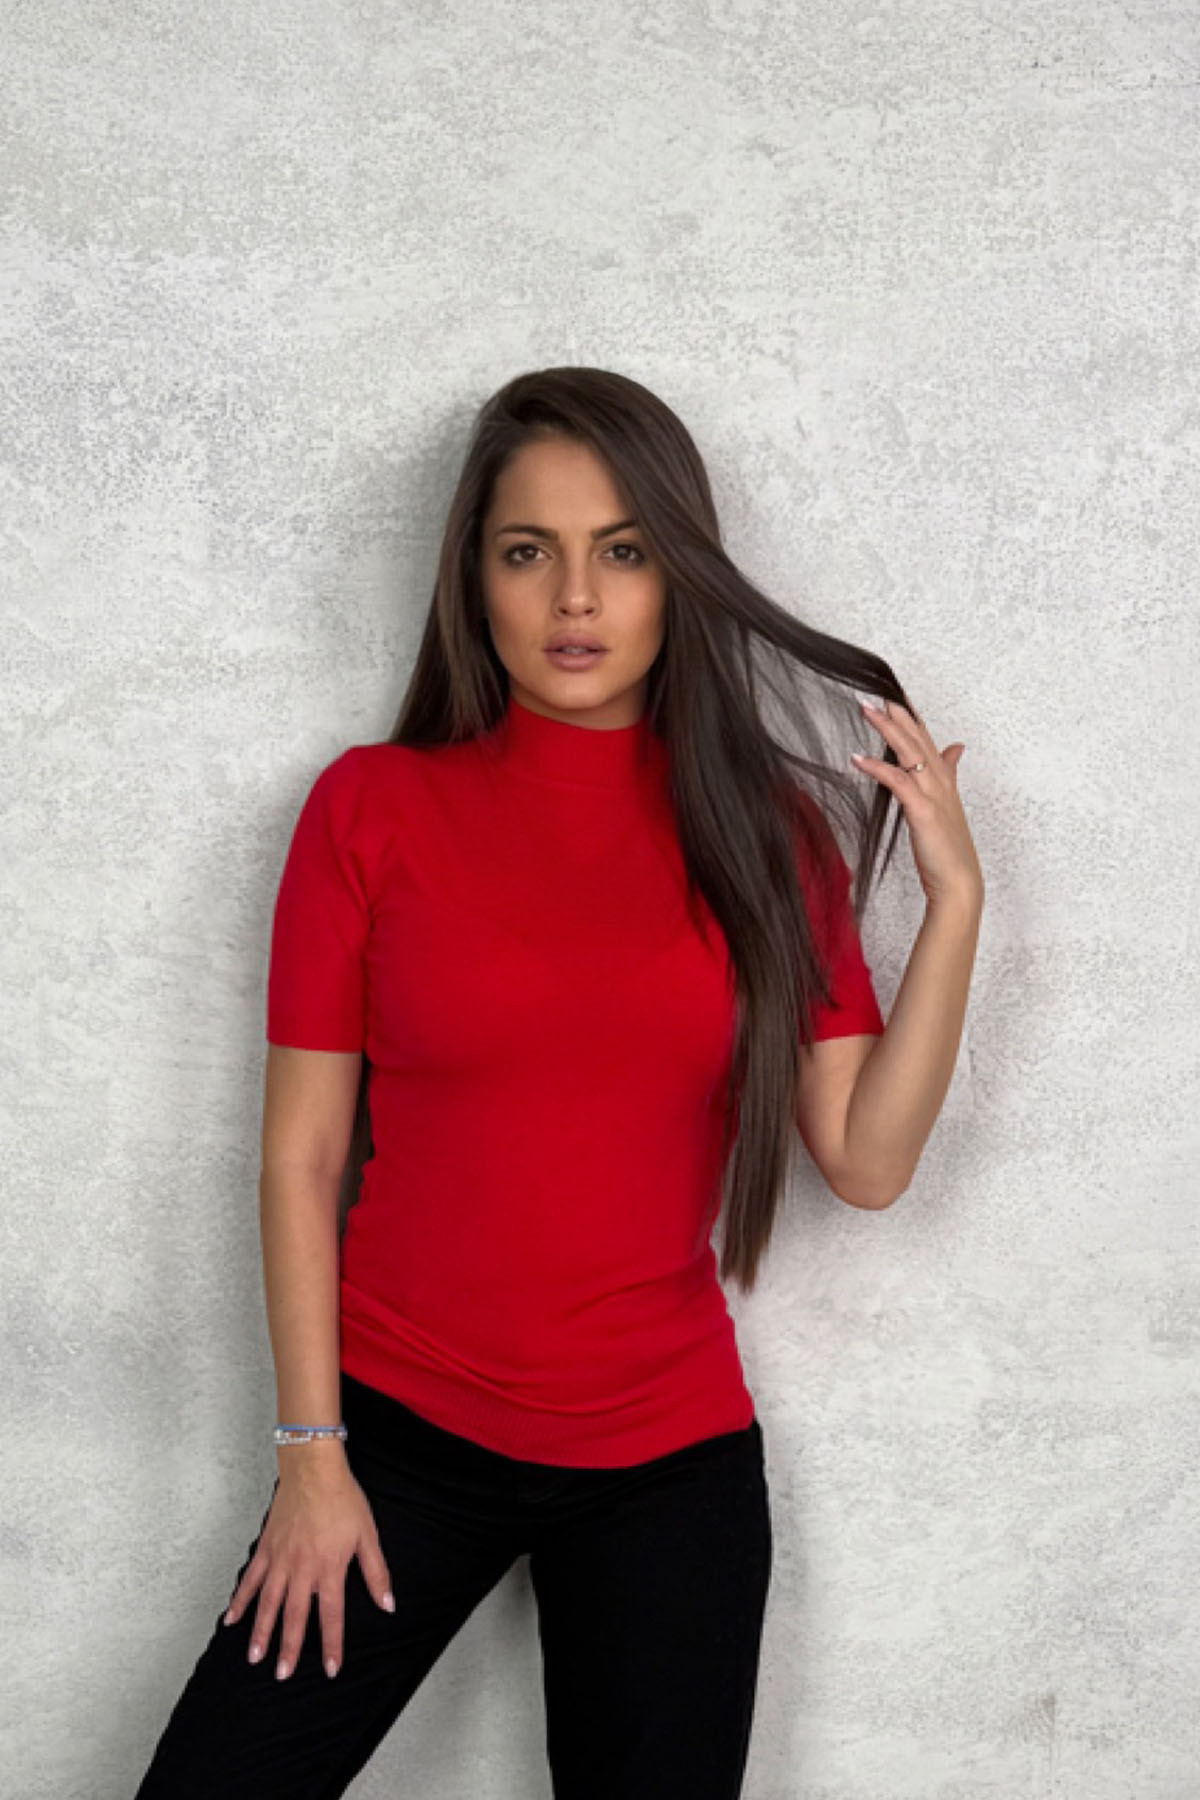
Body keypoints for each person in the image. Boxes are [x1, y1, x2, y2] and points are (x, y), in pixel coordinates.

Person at [132, 366, 985, 1799]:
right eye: (529, 551)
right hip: (394, 1440)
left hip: (666, 1465)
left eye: (624, 551)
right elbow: (299, 1158)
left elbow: (866, 1159)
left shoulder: (768, 838)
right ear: (475, 578)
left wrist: (955, 902)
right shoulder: (370, 809)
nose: (576, 598)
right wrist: (311, 1458)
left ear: (677, 577)